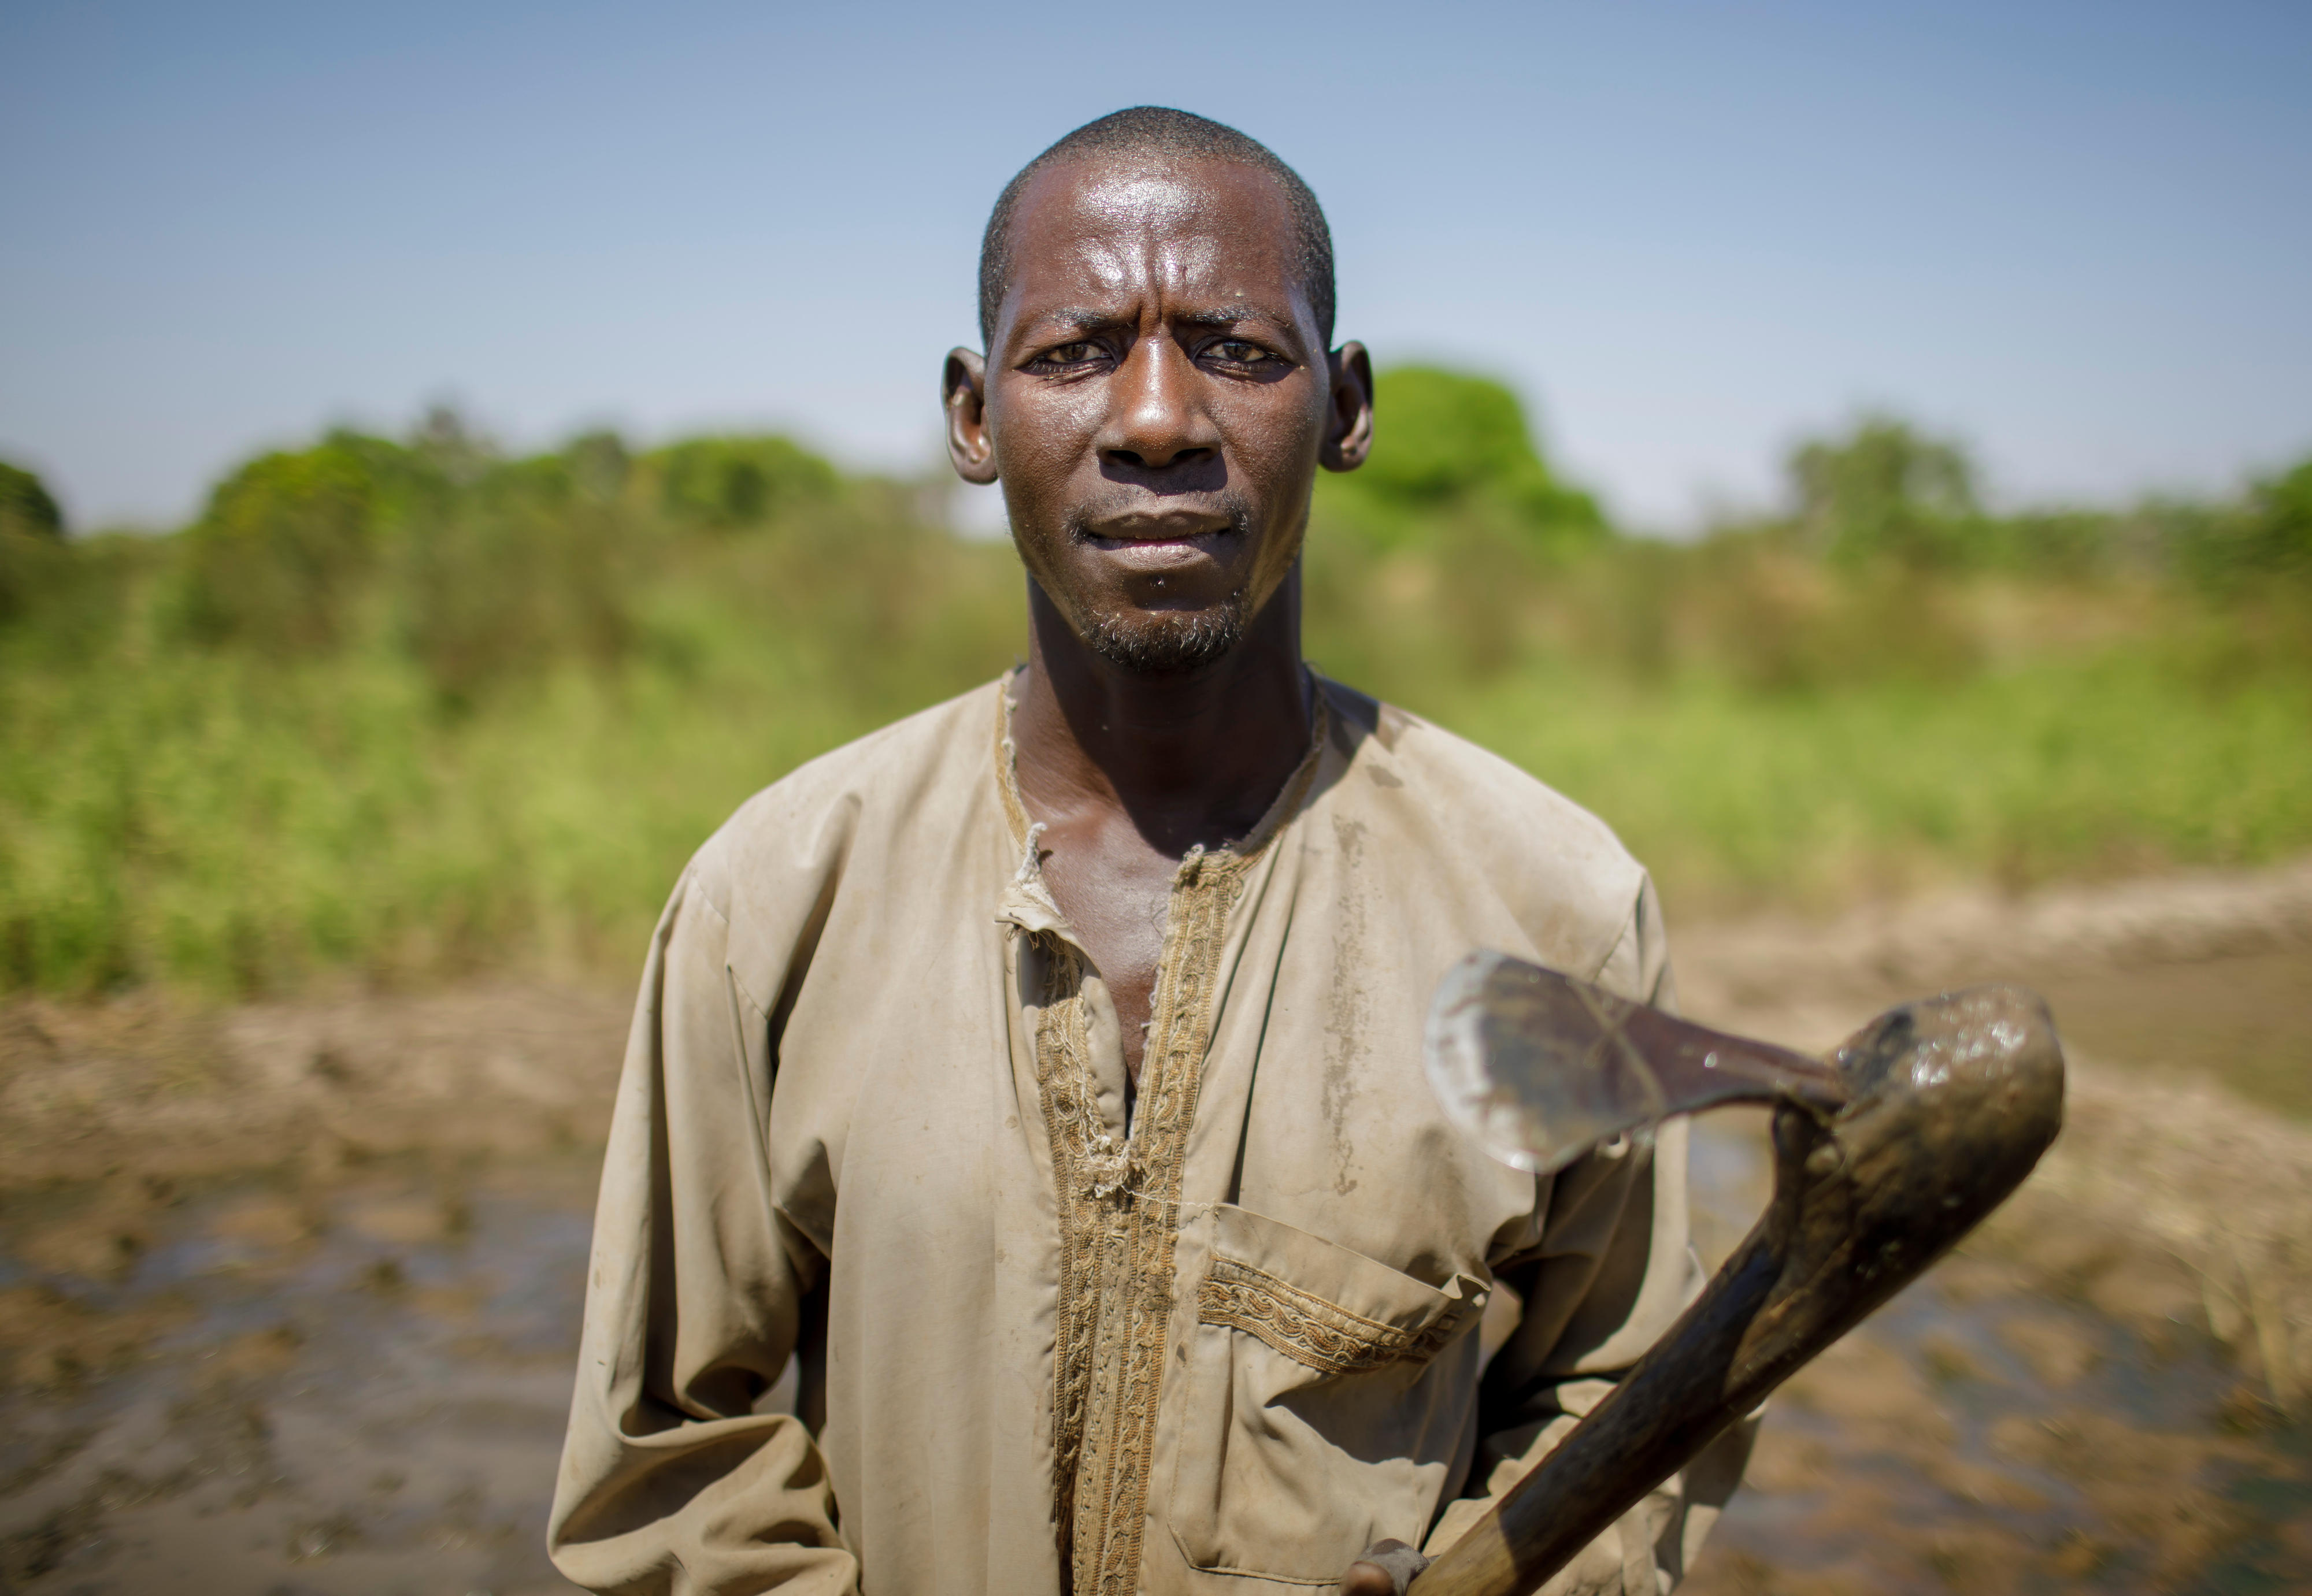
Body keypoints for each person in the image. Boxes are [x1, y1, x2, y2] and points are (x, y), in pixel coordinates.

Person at [548, 106, 1748, 1596]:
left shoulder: (1555, 912)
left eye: (1238, 349)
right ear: (976, 420)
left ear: (1348, 406)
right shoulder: (778, 897)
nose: (1160, 418)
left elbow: (1627, 1404)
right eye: (1075, 352)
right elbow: (673, 1448)